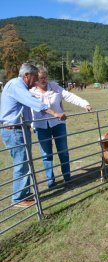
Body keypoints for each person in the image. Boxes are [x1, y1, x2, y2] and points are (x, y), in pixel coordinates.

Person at [0, 63, 66, 207]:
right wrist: (55, 113)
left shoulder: (18, 86)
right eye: (35, 77)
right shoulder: (17, 85)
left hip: (19, 129)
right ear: (26, 75)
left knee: (25, 161)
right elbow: (35, 103)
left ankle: (25, 193)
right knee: (22, 162)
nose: (36, 80)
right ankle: (18, 199)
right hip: (14, 129)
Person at [30, 67, 92, 188]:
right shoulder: (31, 92)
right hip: (41, 126)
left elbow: (69, 96)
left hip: (58, 124)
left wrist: (85, 103)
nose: (44, 80)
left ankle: (67, 178)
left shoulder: (54, 87)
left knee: (63, 151)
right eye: (41, 78)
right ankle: (50, 181)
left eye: (45, 77)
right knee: (46, 154)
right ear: (35, 80)